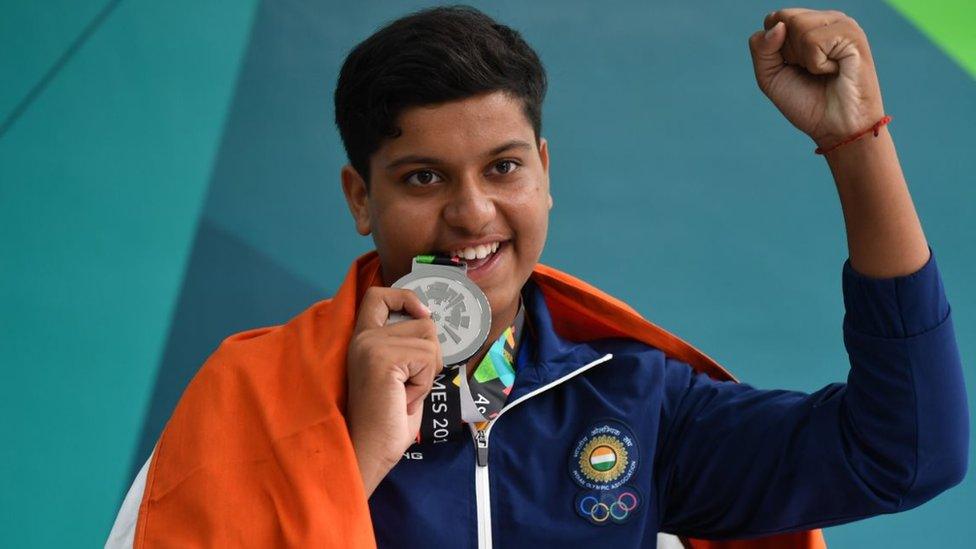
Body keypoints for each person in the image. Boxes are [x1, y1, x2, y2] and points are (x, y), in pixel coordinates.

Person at [106, 5, 968, 548]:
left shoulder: (634, 399)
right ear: (358, 199)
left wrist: (857, 145)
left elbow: (906, 454)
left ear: (546, 173)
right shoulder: (253, 395)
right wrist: (356, 456)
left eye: (505, 168)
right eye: (422, 178)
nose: (473, 213)